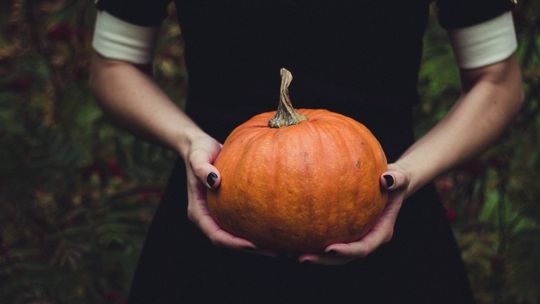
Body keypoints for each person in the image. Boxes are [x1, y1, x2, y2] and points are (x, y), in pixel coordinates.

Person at [89, 0, 524, 303]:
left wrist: (407, 173)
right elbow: (114, 65)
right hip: (215, 203)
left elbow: (498, 80)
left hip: (384, 208)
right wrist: (189, 142)